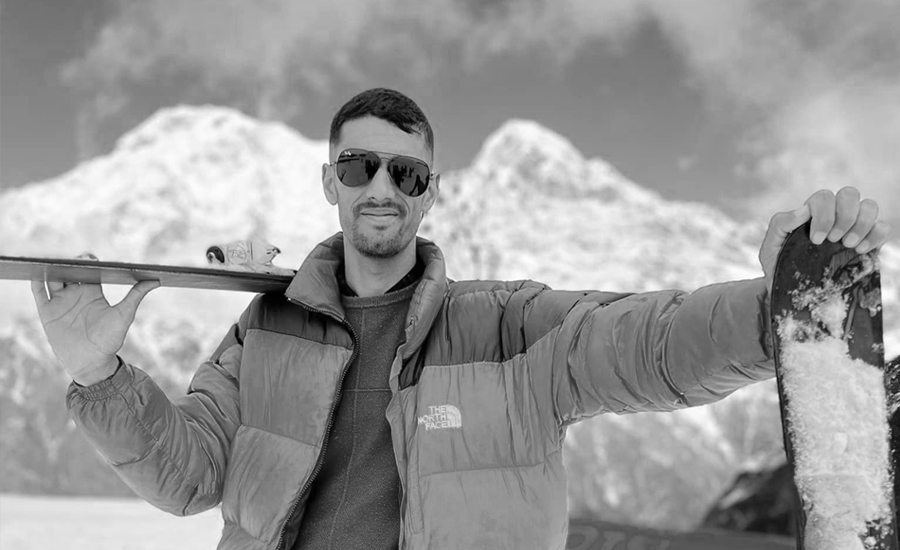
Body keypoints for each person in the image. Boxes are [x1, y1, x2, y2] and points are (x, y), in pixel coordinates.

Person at [30, 88, 892, 550]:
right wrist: (97, 374)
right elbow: (187, 476)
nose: (382, 188)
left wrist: (777, 309)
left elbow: (649, 342)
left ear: (430, 194)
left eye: (407, 174)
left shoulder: (506, 327)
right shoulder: (266, 329)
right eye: (360, 166)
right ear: (330, 181)